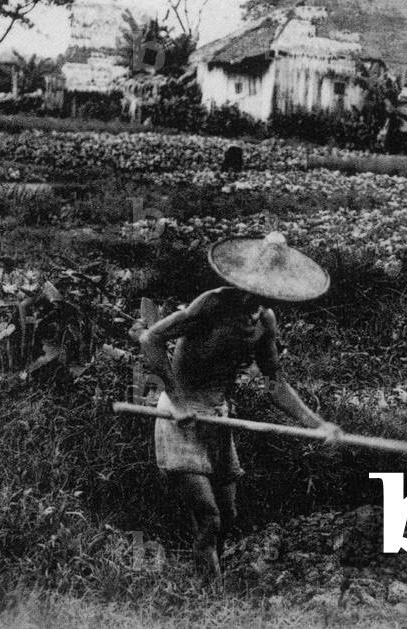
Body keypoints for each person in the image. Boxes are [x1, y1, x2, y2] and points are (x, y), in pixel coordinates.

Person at [135, 231, 340, 586]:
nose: (257, 298)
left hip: (218, 419)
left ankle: (207, 579)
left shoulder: (265, 322)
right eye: (255, 287)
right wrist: (179, 401)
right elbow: (150, 338)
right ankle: (212, 600)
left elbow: (274, 383)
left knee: (227, 516)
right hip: (180, 418)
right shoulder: (211, 305)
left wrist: (317, 424)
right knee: (209, 518)